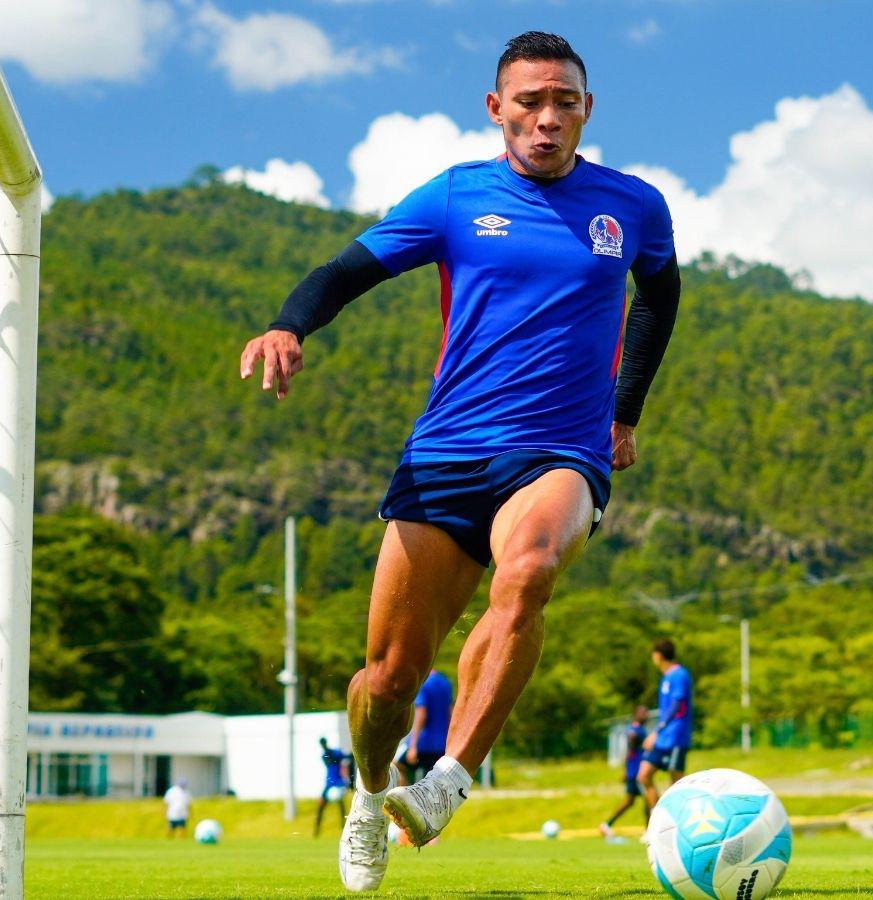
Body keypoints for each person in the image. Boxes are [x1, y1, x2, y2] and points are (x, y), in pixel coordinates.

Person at [240, 30, 679, 892]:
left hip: (560, 452)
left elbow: (660, 297)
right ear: (496, 109)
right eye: (529, 102)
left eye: (564, 101)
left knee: (529, 570)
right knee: (386, 679)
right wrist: (290, 323)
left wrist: (624, 414)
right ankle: (372, 798)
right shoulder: (453, 197)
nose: (547, 119)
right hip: (445, 453)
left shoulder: (632, 206)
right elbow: (345, 270)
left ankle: (447, 781)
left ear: (587, 109)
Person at [637, 639, 692, 811]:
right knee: (643, 776)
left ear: (658, 656)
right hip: (663, 738)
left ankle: (681, 823)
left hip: (676, 736)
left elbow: (676, 706)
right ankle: (659, 819)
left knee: (677, 784)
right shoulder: (666, 677)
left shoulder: (679, 674)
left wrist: (656, 731)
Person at [599, 706, 649, 837]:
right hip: (637, 771)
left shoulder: (640, 729)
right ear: (636, 714)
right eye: (643, 713)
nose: (646, 715)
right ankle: (648, 831)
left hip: (635, 770)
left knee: (629, 801)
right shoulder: (634, 729)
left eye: (646, 713)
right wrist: (626, 770)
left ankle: (607, 825)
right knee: (648, 799)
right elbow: (630, 745)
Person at [402, 669, 454, 785]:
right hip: (442, 743)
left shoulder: (423, 683)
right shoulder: (445, 682)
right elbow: (450, 711)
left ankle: (406, 794)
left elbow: (421, 713)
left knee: (396, 765)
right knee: (432, 781)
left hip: (423, 742)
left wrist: (413, 746)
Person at [315, 737, 351, 837]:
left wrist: (346, 780)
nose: (323, 746)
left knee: (341, 807)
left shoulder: (336, 752)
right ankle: (316, 831)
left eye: (324, 744)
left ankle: (344, 829)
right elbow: (331, 763)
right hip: (329, 783)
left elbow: (346, 760)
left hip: (338, 783)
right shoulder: (324, 756)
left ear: (325, 743)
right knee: (321, 805)